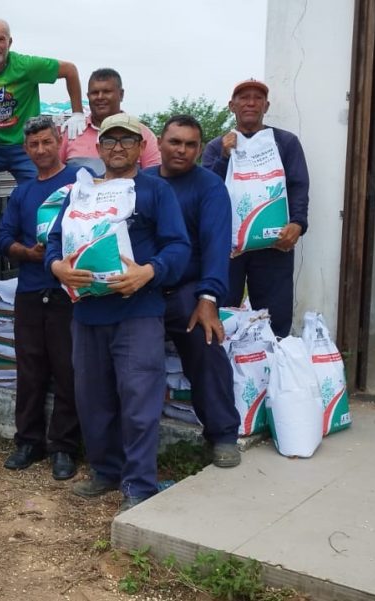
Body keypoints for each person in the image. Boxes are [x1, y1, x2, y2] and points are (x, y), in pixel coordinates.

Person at [46, 113, 190, 513]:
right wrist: (57, 267)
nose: (118, 148)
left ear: (142, 146)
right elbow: (55, 241)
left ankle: (139, 484)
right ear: (99, 147)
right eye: (110, 141)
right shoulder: (82, 192)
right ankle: (106, 472)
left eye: (128, 141)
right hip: (88, 314)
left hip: (137, 312)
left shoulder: (156, 192)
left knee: (139, 401)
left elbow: (179, 248)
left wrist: (149, 272)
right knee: (94, 401)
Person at [145, 115, 241, 468]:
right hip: (143, 288)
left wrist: (209, 299)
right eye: (175, 142)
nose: (182, 150)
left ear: (200, 149)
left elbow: (217, 247)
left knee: (207, 343)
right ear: (159, 142)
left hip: (187, 290)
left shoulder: (209, 187)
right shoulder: (142, 182)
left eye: (190, 144)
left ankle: (223, 434)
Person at [0, 116, 82, 480]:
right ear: (26, 149)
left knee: (67, 370)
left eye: (47, 142)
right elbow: (2, 238)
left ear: (59, 141)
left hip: (68, 292)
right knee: (29, 370)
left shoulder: (79, 182)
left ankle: (63, 447)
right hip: (30, 289)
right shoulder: (23, 192)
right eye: (34, 145)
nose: (42, 150)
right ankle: (28, 442)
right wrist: (28, 253)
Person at [202, 79, 309, 337]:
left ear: (266, 105)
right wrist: (224, 158)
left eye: (257, 98)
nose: (251, 102)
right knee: (223, 310)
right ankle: (226, 369)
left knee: (275, 315)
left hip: (274, 244)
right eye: (243, 97)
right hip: (228, 248)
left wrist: (297, 223)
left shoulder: (285, 142)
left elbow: (298, 185)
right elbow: (206, 192)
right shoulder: (217, 146)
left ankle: (274, 366)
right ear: (231, 106)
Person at [0, 18, 86, 182]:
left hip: (24, 148)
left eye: (0, 40)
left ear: (9, 42)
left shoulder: (26, 66)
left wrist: (77, 113)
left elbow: (70, 70)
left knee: (44, 188)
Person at [58, 68, 161, 176]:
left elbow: (154, 178)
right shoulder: (72, 132)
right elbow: (55, 174)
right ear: (88, 96)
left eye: (106, 92)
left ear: (121, 94)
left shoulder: (143, 134)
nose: (100, 97)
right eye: (94, 93)